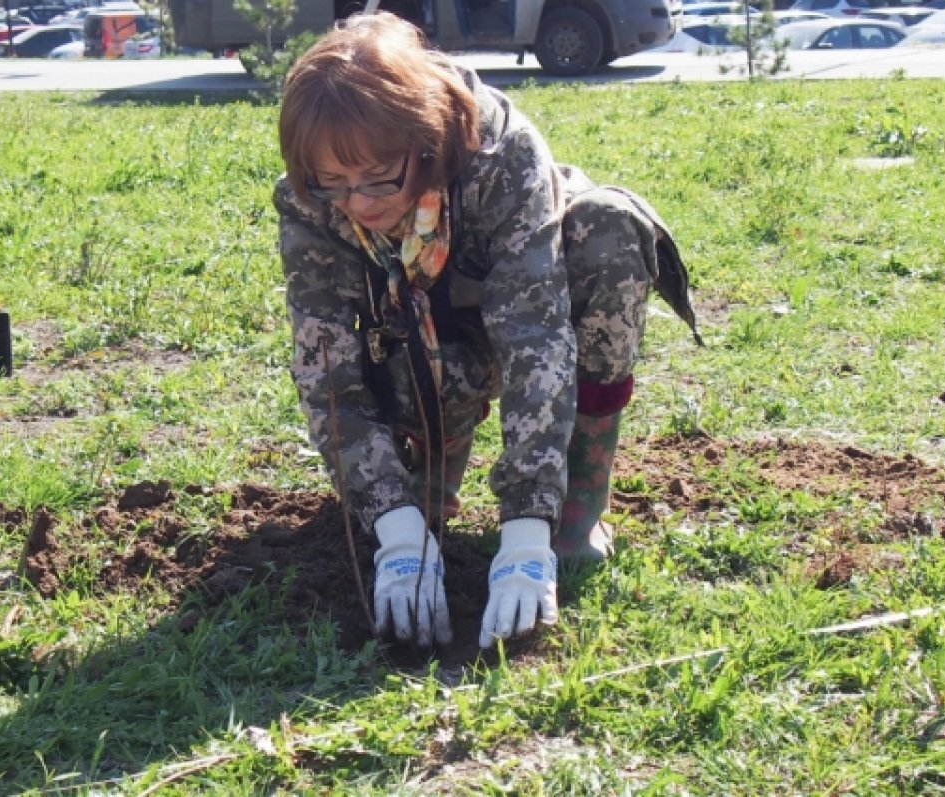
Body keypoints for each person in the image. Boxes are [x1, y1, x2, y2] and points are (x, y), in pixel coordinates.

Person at [274, 13, 699, 650]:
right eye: (333, 182)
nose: (357, 202)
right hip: (420, 339)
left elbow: (536, 335)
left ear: (423, 139)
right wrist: (395, 526)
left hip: (528, 312)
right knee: (403, 512)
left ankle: (576, 509)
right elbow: (325, 368)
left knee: (609, 228)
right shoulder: (312, 199)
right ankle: (423, 498)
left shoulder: (499, 153)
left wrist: (528, 530)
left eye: (376, 177)